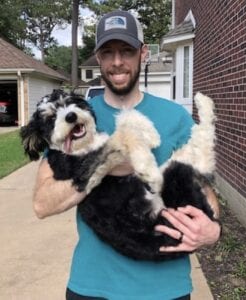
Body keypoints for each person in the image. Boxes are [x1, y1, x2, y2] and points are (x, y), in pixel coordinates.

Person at [34, 10, 221, 300]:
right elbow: (42, 203)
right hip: (92, 287)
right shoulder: (75, 119)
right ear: (98, 58)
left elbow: (206, 194)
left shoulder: (175, 117)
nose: (117, 61)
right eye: (108, 52)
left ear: (143, 54)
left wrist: (213, 230)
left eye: (127, 51)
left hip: (165, 288)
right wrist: (103, 164)